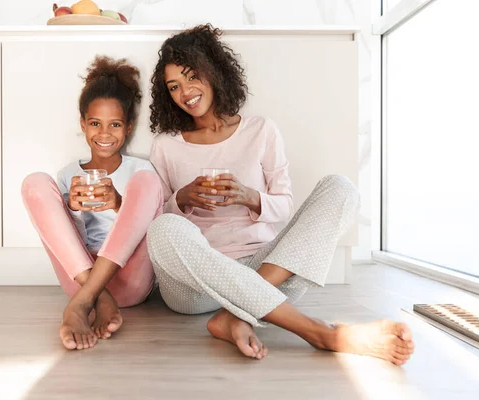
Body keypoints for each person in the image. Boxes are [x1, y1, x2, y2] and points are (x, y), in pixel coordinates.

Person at [147, 24, 415, 365]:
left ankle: (234, 316)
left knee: (341, 188)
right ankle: (321, 332)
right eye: (174, 86)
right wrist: (181, 198)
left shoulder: (260, 130)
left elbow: (285, 205)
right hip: (195, 286)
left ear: (213, 71)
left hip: (265, 266)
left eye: (192, 76)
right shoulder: (166, 145)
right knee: (162, 230)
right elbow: (157, 220)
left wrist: (248, 196)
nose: (185, 91)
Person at [22, 56, 162, 351]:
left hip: (129, 282)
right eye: (95, 123)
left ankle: (83, 303)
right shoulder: (68, 175)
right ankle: (99, 297)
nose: (104, 133)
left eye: (114, 124)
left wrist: (118, 204)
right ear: (83, 124)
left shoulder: (140, 171)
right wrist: (72, 209)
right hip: (81, 277)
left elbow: (151, 231)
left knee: (149, 182)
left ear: (128, 127)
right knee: (34, 182)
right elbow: (66, 242)